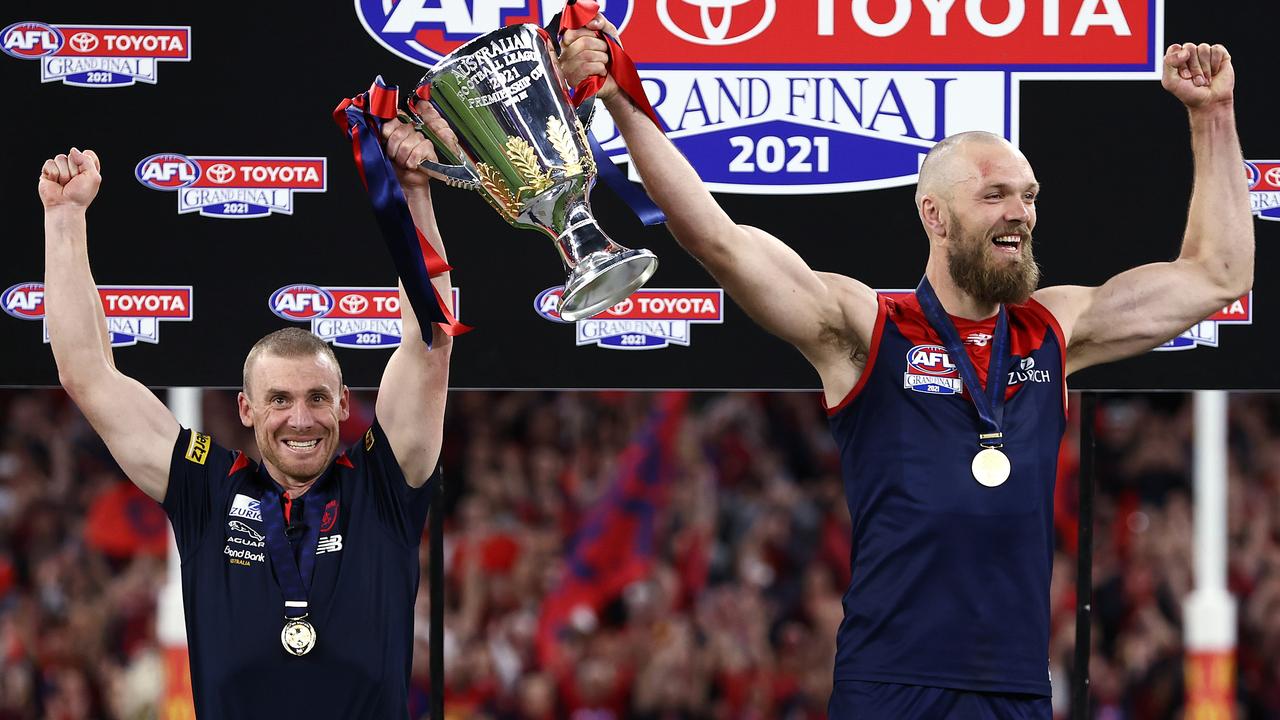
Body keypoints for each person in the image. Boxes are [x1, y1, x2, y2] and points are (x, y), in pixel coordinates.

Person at [560, 21, 1253, 719]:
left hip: (1016, 690)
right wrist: (623, 101)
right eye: (995, 196)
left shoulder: (1054, 330)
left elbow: (1218, 276)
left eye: (1029, 195)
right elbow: (719, 241)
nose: (1020, 213)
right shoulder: (868, 330)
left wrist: (1213, 116)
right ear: (935, 215)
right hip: (890, 686)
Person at [38, 100, 456, 718]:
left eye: (317, 398)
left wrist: (414, 193)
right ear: (246, 409)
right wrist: (65, 218)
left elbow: (430, 340)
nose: (301, 418)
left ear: (343, 405)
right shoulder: (207, 488)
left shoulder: (382, 485)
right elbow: (87, 375)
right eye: (279, 400)